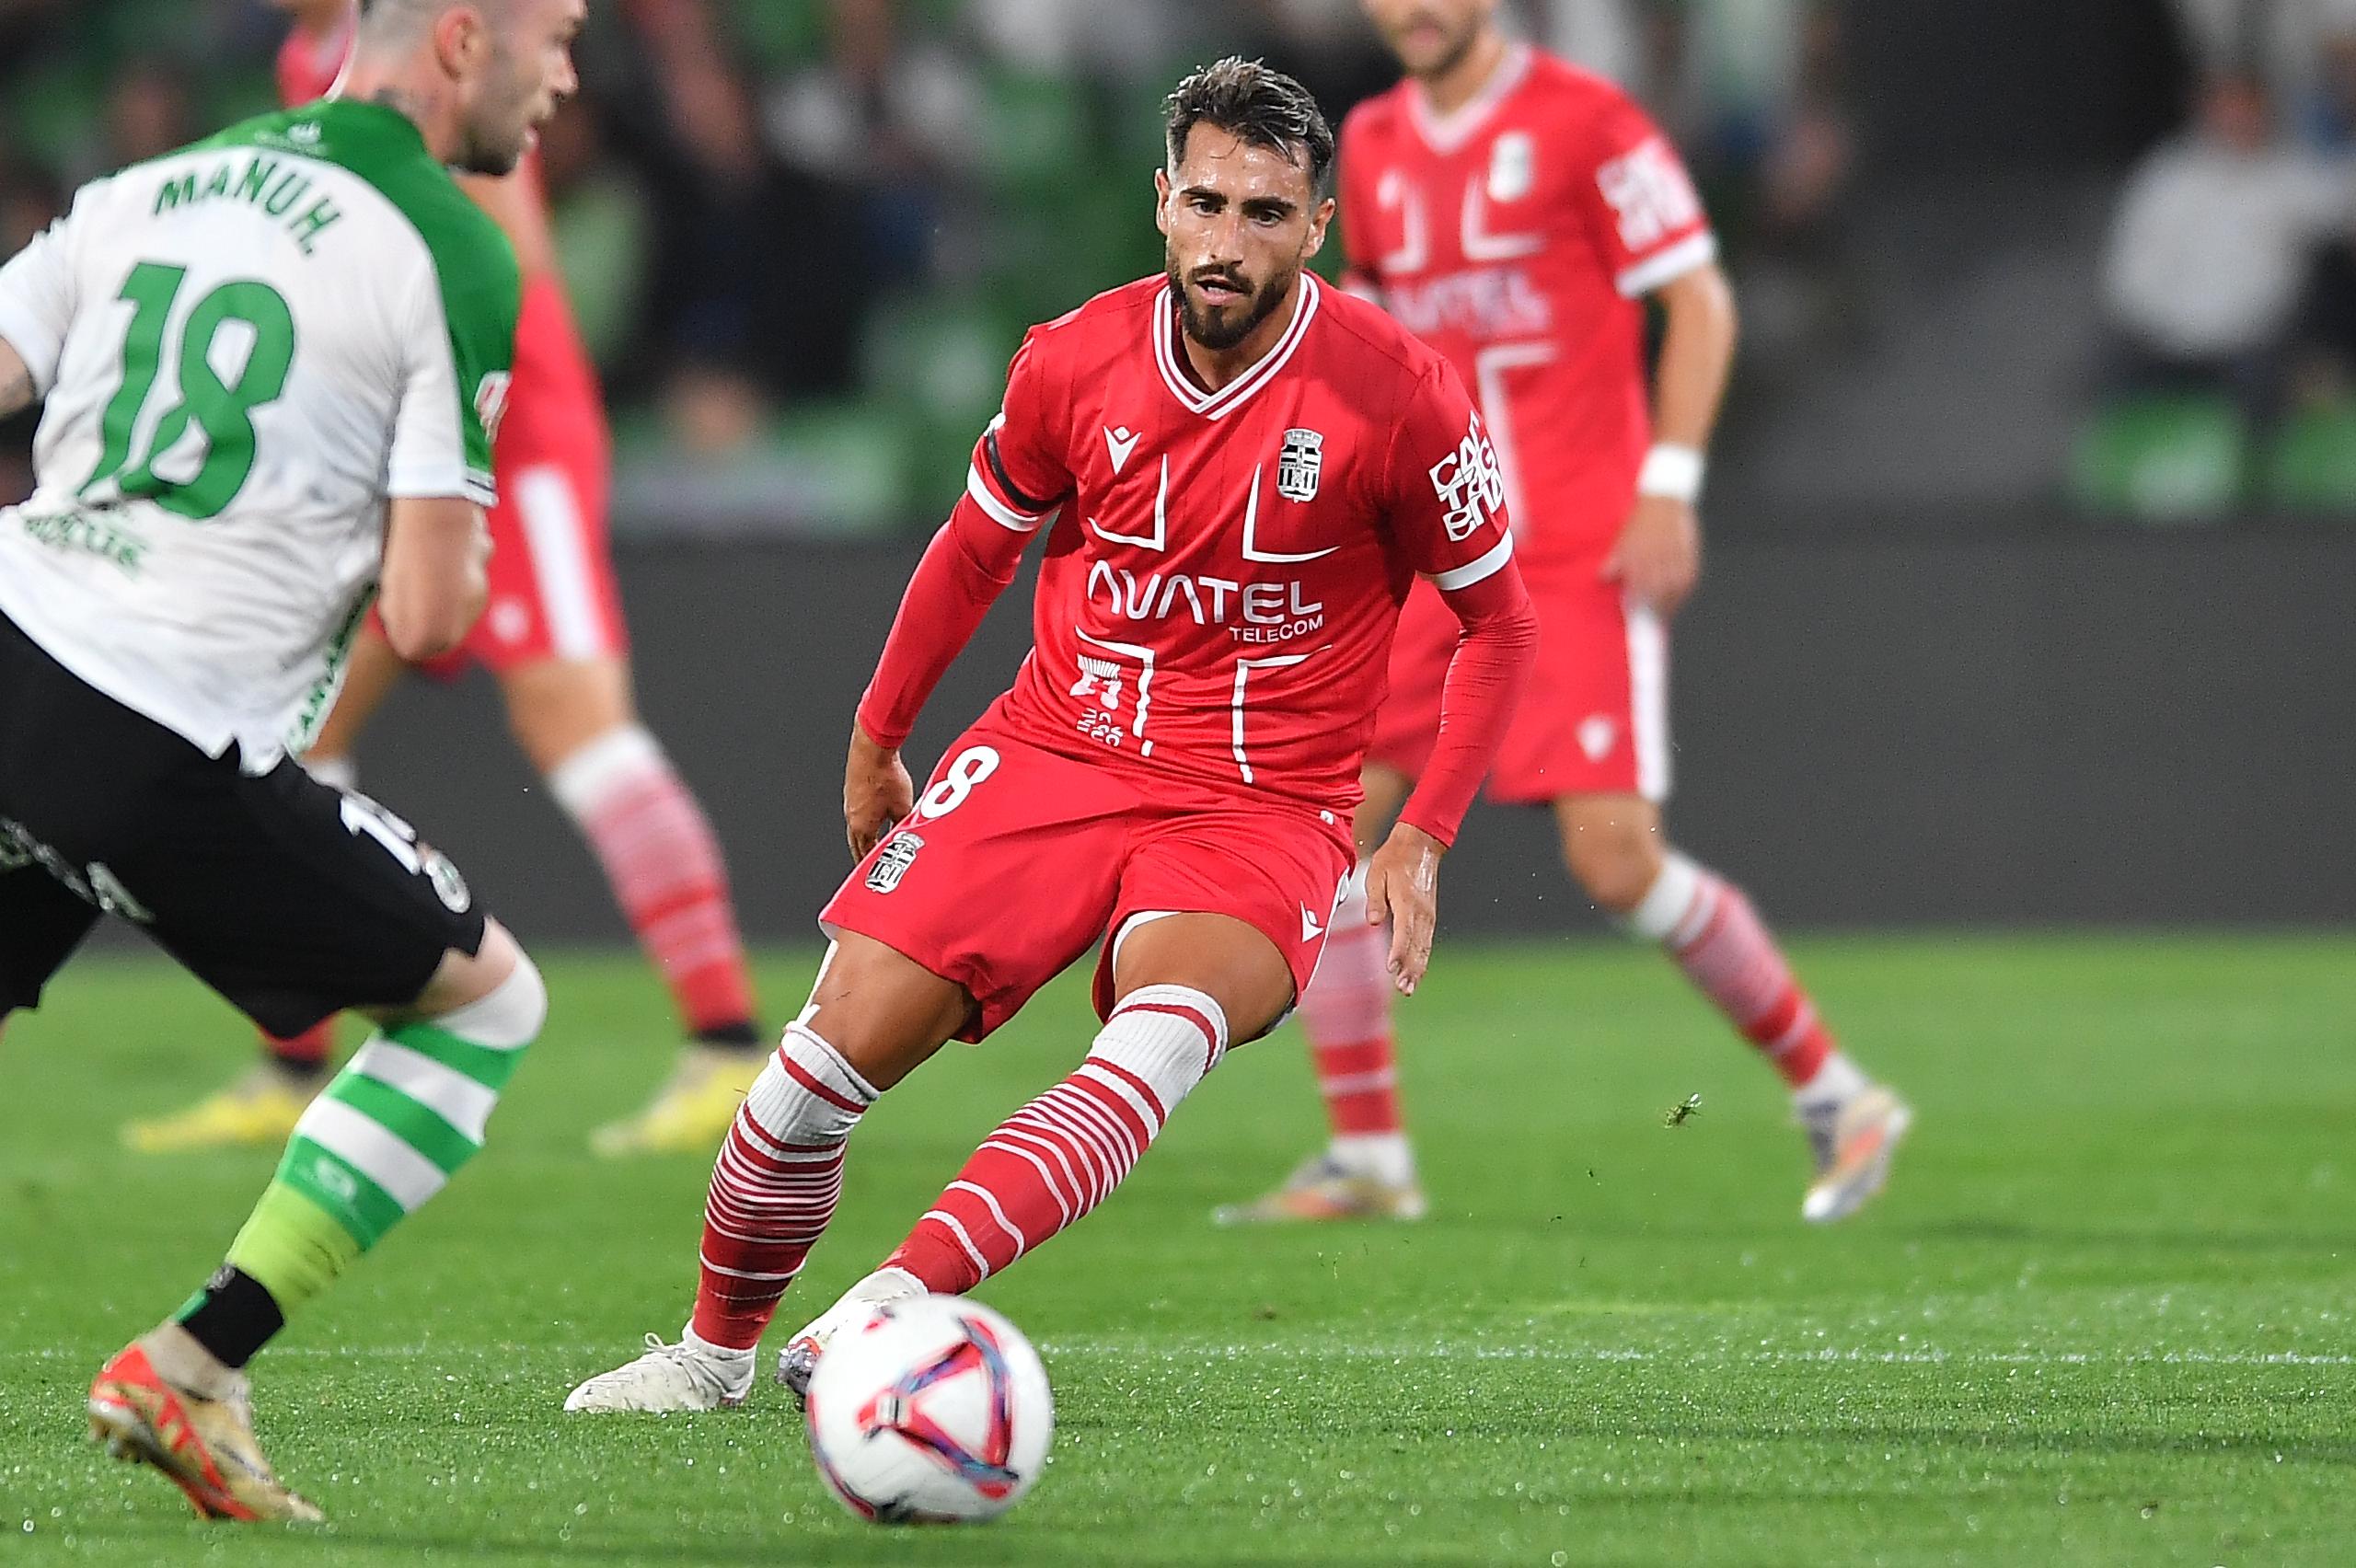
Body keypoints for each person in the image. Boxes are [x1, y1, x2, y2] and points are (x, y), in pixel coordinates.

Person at [561, 56, 1539, 1413]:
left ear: (1317, 228)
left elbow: (1504, 624)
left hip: (1260, 808)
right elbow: (974, 553)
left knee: (1149, 1045)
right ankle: (712, 1358)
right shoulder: (1073, 360)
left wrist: (1423, 833)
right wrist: (878, 733)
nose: (1228, 240)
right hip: (1053, 754)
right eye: (1207, 203)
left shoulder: (1399, 393)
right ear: (1161, 203)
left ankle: (889, 1304)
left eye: (1267, 214)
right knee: (806, 1081)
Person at [0, 0, 583, 1519]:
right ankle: (194, 1364)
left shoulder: (155, 187)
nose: (569, 75)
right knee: (485, 999)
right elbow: (435, 610)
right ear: (467, 38)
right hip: (157, 720)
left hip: (13, 635)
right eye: (560, 34)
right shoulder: (451, 248)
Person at [1217, 0, 1909, 1228]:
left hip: (1576, 549)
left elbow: (1700, 301)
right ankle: (1369, 1153)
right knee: (1319, 822)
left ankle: (1837, 1093)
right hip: (1435, 561)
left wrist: (1671, 486)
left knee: (1612, 856)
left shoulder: (1589, 121)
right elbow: (1366, 346)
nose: (1413, 9)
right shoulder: (1367, 142)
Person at [121, 0, 766, 1160]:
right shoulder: (316, 54)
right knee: (298, 730)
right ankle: (292, 1057)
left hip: (508, 438)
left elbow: (501, 253)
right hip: (401, 443)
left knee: (582, 730)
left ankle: (726, 1048)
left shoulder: (444, 38)